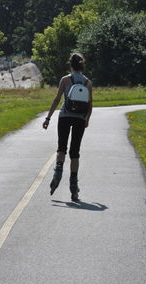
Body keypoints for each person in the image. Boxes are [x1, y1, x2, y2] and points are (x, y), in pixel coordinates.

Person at [42, 53, 93, 201]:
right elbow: (90, 105)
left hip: (64, 116)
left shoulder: (65, 80)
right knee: (75, 152)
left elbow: (57, 99)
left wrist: (48, 118)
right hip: (80, 119)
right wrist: (87, 119)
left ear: (70, 65)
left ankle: (57, 173)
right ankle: (73, 188)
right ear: (82, 65)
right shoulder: (87, 82)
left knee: (61, 148)